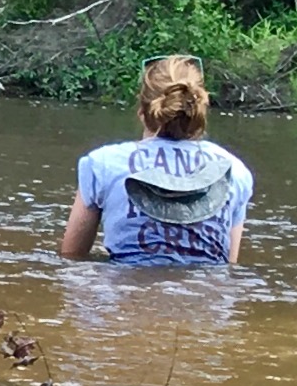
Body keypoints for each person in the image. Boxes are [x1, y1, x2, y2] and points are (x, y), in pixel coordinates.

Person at [60, 55, 251, 266]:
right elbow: (229, 265)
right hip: (204, 293)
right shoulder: (234, 170)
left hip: (127, 293)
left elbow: (72, 257)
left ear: (142, 112)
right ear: (199, 110)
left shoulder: (101, 164)